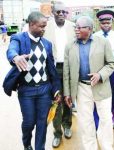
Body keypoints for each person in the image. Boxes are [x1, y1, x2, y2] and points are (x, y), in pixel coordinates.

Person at [6, 11, 61, 150]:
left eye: (45, 27)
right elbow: (11, 50)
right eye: (41, 26)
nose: (44, 29)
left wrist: (56, 88)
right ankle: (27, 144)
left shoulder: (47, 44)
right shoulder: (18, 38)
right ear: (31, 24)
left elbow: (51, 69)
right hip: (26, 90)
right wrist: (15, 57)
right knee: (29, 123)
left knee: (42, 123)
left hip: (44, 89)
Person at [63, 16, 114, 150]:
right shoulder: (70, 45)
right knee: (85, 122)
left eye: (79, 27)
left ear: (90, 29)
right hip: (81, 88)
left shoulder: (103, 42)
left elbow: (111, 63)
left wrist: (100, 75)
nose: (76, 30)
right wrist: (67, 93)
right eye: (75, 27)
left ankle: (106, 146)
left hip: (101, 87)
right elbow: (66, 72)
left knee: (105, 120)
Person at [44, 2, 76, 148]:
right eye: (58, 12)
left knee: (68, 97)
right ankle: (57, 133)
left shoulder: (72, 26)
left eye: (64, 12)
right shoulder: (46, 26)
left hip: (69, 68)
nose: (62, 14)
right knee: (55, 101)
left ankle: (67, 125)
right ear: (52, 12)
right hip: (52, 68)